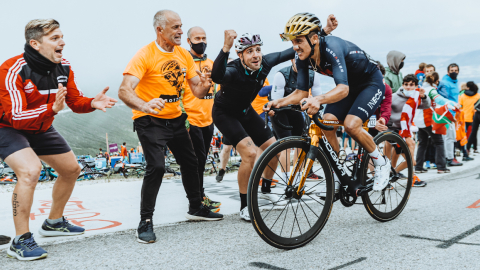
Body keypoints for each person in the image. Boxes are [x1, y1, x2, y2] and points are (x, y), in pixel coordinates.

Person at [0, 18, 117, 260]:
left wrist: (91, 103)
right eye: (54, 38)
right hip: (9, 127)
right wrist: (51, 110)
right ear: (35, 44)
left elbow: (74, 102)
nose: (62, 42)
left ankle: (53, 222)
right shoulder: (11, 70)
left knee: (71, 169)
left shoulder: (63, 66)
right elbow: (17, 116)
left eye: (61, 37)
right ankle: (20, 240)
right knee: (30, 171)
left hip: (41, 126)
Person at [211, 15, 338, 221]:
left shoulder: (266, 63)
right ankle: (245, 206)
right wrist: (225, 48)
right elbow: (216, 77)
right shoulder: (233, 70)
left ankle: (266, 189)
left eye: (258, 50)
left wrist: (324, 31)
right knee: (251, 154)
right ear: (240, 55)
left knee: (273, 150)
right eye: (249, 51)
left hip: (245, 111)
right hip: (225, 114)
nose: (256, 55)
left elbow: (296, 49)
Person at [118, 10, 223, 244]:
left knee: (191, 161)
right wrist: (144, 105)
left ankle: (196, 207)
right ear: (160, 30)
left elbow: (196, 89)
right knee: (156, 166)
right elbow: (124, 90)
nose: (179, 31)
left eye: (180, 26)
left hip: (175, 118)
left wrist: (205, 85)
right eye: (175, 27)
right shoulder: (145, 55)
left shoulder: (183, 55)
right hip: (149, 120)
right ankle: (145, 222)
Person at [267, 12, 389, 196]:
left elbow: (343, 89)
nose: (295, 47)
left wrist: (318, 99)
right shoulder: (302, 57)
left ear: (314, 38)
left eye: (299, 40)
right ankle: (340, 173)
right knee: (327, 122)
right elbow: (301, 92)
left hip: (370, 83)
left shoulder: (332, 46)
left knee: (351, 125)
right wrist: (279, 102)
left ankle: (381, 163)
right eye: (292, 42)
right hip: (348, 86)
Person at [181, 26, 221, 210]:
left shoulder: (212, 63)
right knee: (193, 163)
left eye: (204, 38)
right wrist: (184, 119)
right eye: (197, 38)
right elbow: (178, 91)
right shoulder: (184, 64)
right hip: (192, 120)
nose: (201, 42)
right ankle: (196, 201)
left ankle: (201, 196)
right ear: (188, 41)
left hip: (208, 120)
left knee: (202, 161)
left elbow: (217, 92)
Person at [270, 59, 322, 181]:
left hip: (296, 110)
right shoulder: (281, 75)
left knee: (301, 143)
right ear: (293, 60)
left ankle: (298, 178)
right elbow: (276, 102)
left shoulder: (313, 75)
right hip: (280, 110)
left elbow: (318, 98)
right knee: (286, 145)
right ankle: (286, 179)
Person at [387, 74, 431, 186]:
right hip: (391, 129)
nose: (408, 87)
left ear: (416, 86)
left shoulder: (415, 97)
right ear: (402, 85)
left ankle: (392, 175)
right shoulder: (394, 96)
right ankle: (403, 177)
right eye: (406, 84)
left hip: (404, 130)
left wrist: (424, 96)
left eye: (411, 85)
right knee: (410, 156)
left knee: (403, 156)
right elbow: (384, 109)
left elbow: (426, 105)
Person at [414, 72, 457, 174]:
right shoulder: (431, 90)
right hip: (428, 119)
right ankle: (441, 167)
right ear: (436, 81)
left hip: (418, 120)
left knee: (422, 143)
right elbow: (439, 99)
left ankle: (418, 166)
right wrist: (452, 104)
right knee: (439, 142)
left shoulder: (421, 88)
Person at [437, 63, 463, 166]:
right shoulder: (445, 83)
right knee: (448, 137)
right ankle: (449, 158)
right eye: (452, 70)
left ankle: (450, 157)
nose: (454, 72)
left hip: (453, 112)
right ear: (448, 72)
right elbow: (444, 98)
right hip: (447, 112)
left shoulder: (454, 82)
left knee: (451, 136)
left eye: (456, 70)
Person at [461, 82, 479, 155]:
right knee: (474, 132)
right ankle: (475, 148)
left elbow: (460, 106)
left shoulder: (462, 96)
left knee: (464, 134)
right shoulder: (478, 95)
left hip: (464, 117)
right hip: (473, 116)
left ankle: (465, 148)